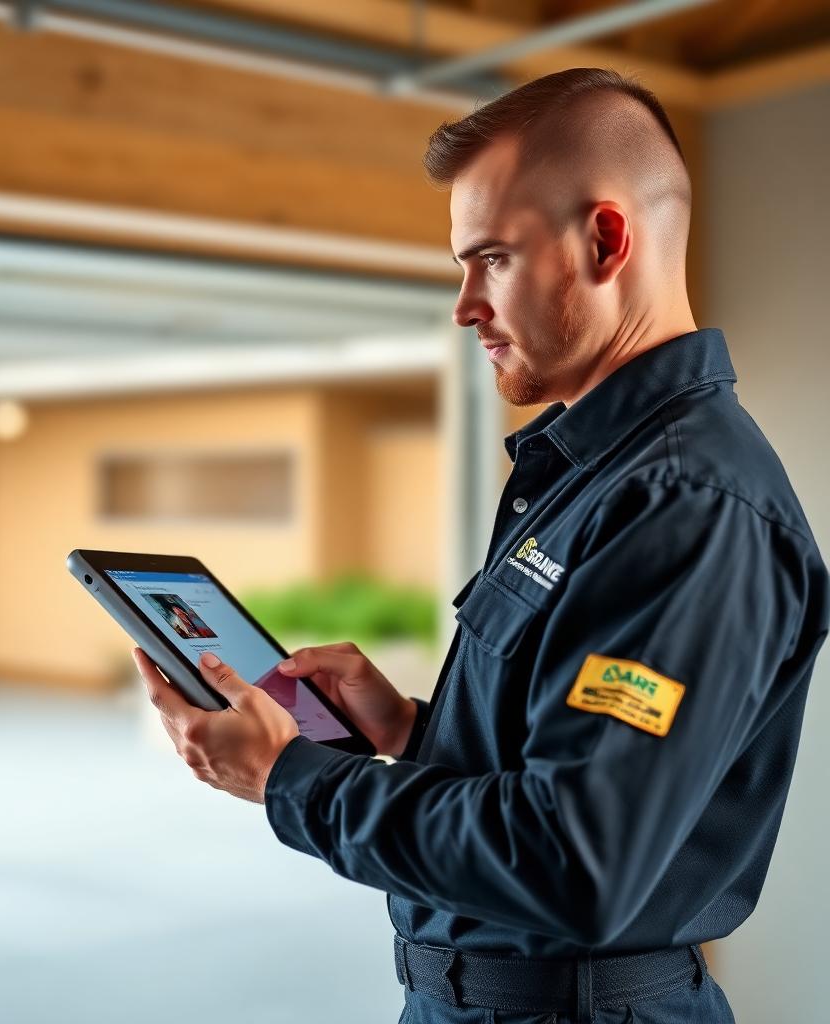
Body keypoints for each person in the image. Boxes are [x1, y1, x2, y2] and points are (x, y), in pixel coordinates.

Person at [133, 68, 830, 1024]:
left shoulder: (684, 505)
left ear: (605, 239)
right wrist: (408, 732)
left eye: (491, 258)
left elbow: (576, 862)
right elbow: (560, 764)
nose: (464, 305)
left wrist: (290, 777)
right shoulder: (596, 472)